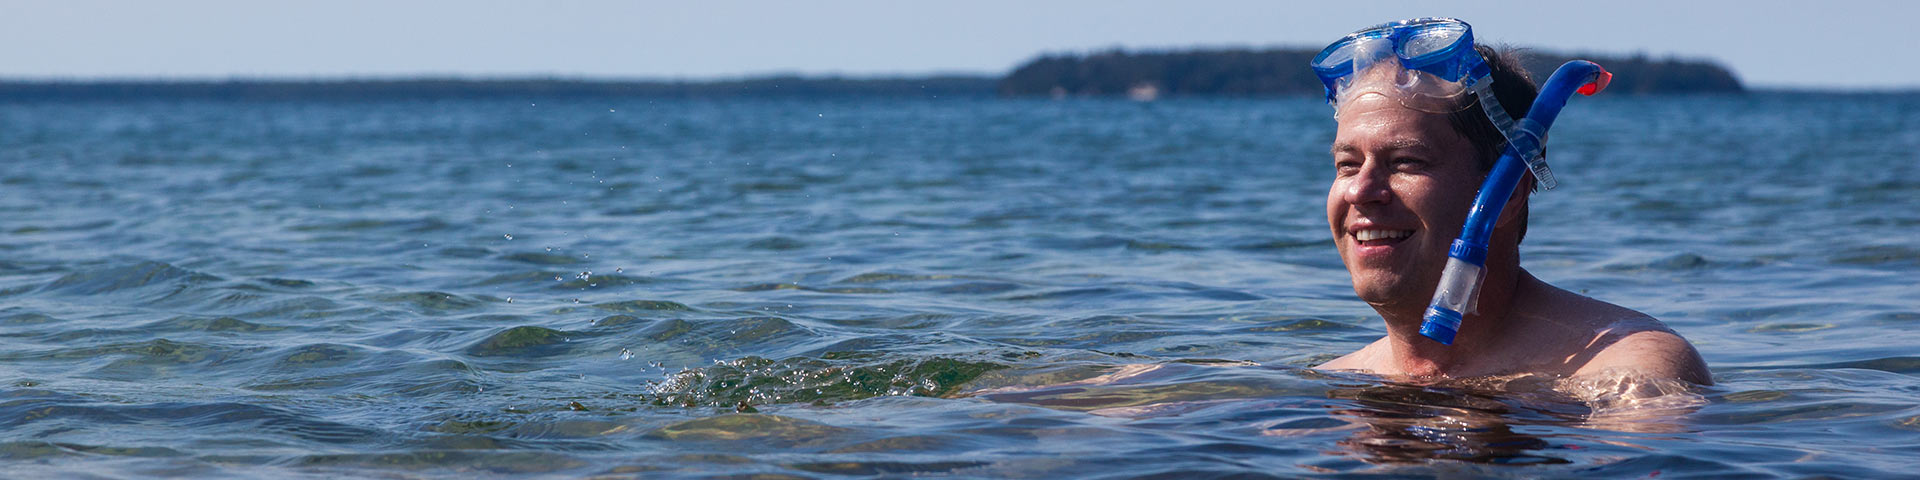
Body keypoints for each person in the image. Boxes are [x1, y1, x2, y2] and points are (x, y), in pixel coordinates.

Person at [1307, 18, 1710, 384]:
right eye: (1347, 164)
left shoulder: (1624, 369)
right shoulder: (1335, 381)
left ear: (1510, 194)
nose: (1360, 190)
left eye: (1406, 162)